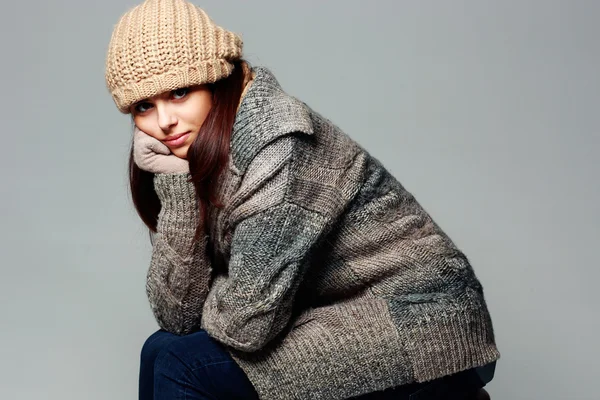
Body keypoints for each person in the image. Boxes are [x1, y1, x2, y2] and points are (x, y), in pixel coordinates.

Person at [104, 0, 501, 399]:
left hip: (424, 321)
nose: (164, 121)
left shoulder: (279, 141)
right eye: (144, 106)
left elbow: (246, 325)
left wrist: (223, 295)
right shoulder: (202, 154)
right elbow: (177, 317)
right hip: (344, 313)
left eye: (179, 92)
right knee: (159, 348)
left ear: (215, 79)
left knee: (181, 364)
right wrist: (177, 188)